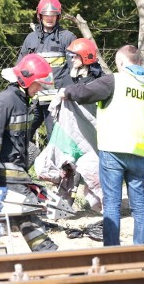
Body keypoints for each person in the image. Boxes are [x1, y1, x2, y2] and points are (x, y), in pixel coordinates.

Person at [59, 45, 144, 246]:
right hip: (139, 151)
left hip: (114, 148)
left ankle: (112, 250)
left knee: (112, 203)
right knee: (139, 203)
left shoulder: (116, 80)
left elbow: (85, 92)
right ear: (139, 61)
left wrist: (66, 91)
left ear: (121, 62)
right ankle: (143, 249)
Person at [0, 53, 58, 252]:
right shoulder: (5, 101)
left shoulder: (22, 101)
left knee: (22, 212)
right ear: (26, 80)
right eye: (38, 84)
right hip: (0, 170)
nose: (40, 89)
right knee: (26, 207)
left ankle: (45, 251)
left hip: (13, 169)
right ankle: (46, 251)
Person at [34, 38, 104, 211]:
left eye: (75, 56)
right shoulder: (68, 77)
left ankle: (105, 205)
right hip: (70, 133)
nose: (71, 60)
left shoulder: (100, 80)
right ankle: (64, 206)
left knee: (92, 170)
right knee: (66, 169)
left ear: (85, 57)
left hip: (91, 134)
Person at [18, 0, 76, 140]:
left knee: (56, 140)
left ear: (58, 16)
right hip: (35, 100)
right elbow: (20, 67)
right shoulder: (31, 39)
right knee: (20, 135)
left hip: (57, 102)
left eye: (53, 15)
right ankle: (21, 161)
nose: (49, 18)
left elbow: (74, 70)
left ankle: (58, 163)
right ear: (40, 15)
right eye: (46, 15)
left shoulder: (67, 37)